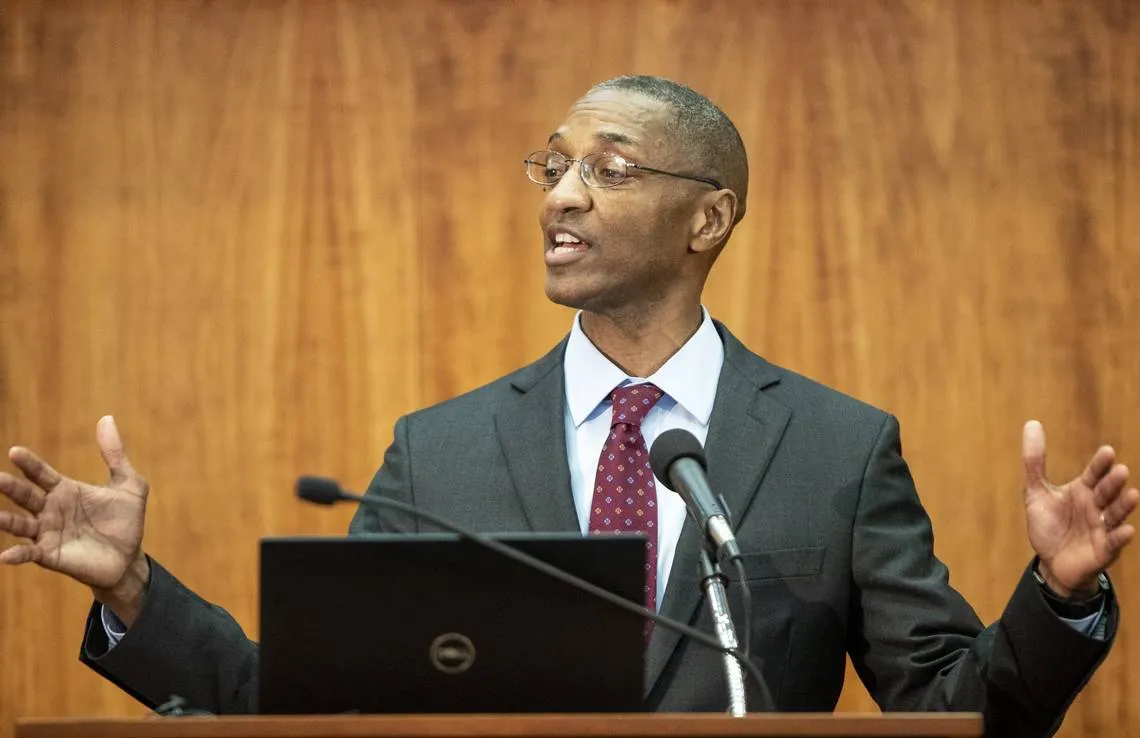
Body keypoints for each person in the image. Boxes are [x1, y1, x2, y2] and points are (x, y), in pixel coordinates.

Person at [1, 76, 1136, 735]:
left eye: (613, 166)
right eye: (552, 165)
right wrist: (138, 594)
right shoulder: (439, 452)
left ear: (709, 219)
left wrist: (1057, 598)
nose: (565, 193)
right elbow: (314, 707)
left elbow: (947, 712)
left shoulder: (837, 450)